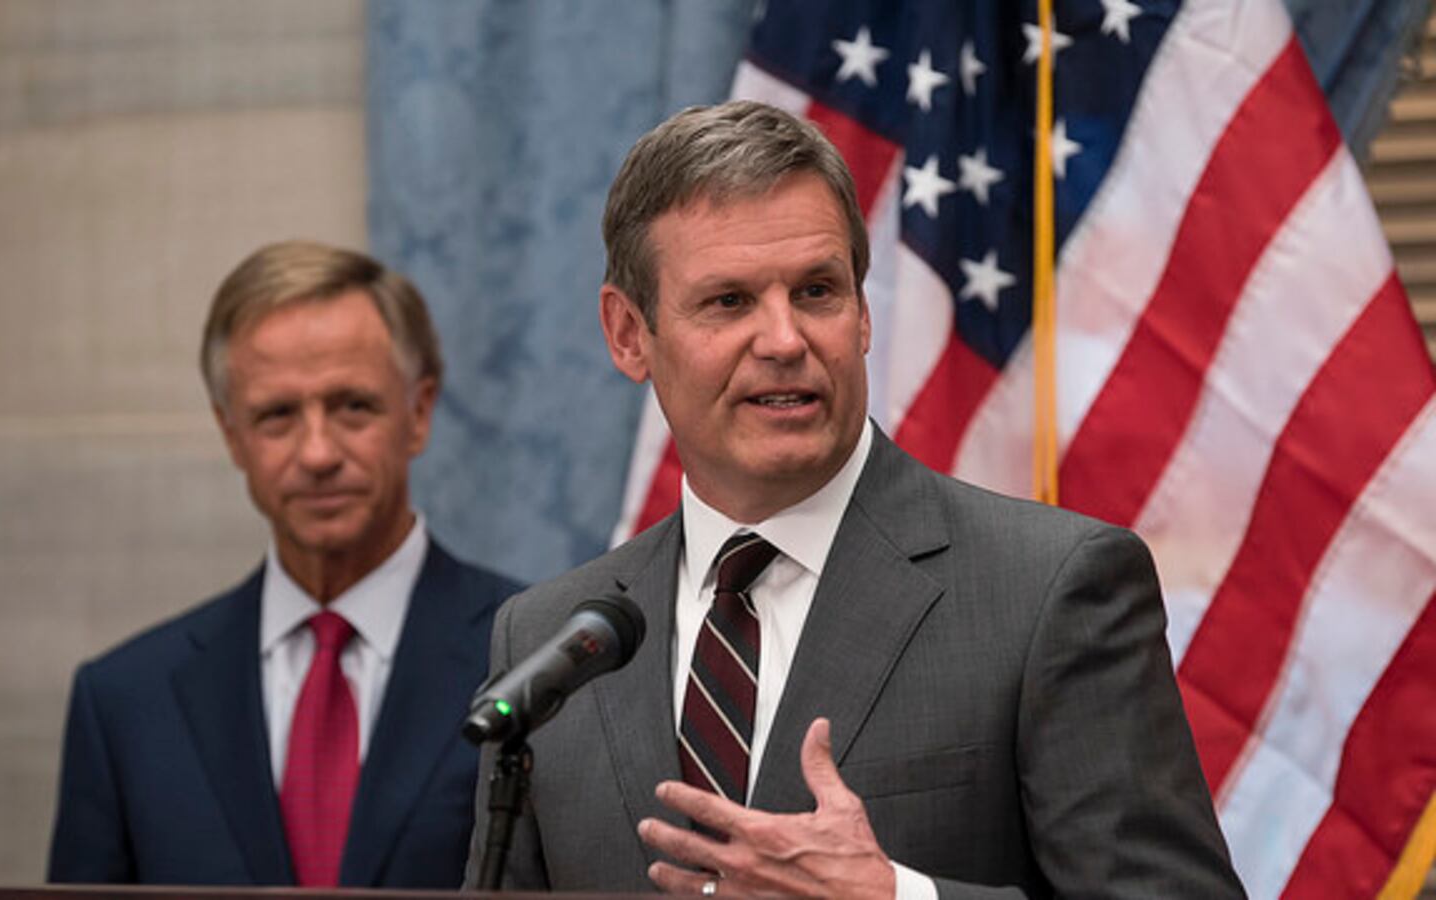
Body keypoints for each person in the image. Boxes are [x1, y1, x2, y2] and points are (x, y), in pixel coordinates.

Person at [465, 102, 1244, 898]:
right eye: (729, 301)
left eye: (816, 291)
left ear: (863, 313)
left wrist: (896, 897)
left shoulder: (1049, 590)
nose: (784, 340)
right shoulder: (551, 639)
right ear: (629, 333)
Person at [48, 241, 521, 888]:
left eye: (353, 406)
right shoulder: (127, 703)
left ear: (418, 413)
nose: (319, 452)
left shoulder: (538, 658)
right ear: (231, 434)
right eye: (277, 415)